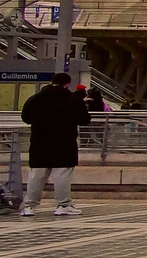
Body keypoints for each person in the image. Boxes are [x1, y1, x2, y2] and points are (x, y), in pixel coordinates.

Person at [19, 72, 92, 216]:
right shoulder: (72, 99)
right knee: (62, 175)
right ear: (67, 84)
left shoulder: (36, 99)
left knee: (36, 175)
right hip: (64, 143)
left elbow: (25, 117)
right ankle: (62, 205)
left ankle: (29, 206)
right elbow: (84, 119)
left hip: (39, 142)